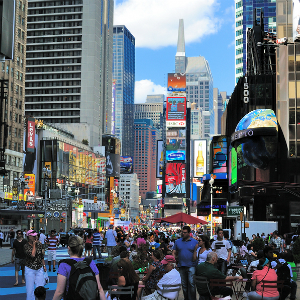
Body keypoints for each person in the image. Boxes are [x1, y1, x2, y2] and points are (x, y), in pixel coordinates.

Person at [52, 235, 106, 300]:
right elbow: (99, 289)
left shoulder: (64, 265)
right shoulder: (90, 262)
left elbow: (60, 292)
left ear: (69, 248)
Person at [172, 225, 198, 300]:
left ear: (189, 233)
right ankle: (186, 298)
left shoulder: (195, 242)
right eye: (182, 232)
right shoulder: (177, 241)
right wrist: (174, 261)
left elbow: (197, 253)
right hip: (181, 265)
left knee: (191, 284)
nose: (183, 234)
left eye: (185, 232)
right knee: (184, 285)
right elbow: (174, 252)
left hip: (192, 265)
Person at [24, 230, 47, 300]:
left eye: (36, 236)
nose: (35, 237)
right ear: (29, 236)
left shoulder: (39, 244)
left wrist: (44, 265)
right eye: (33, 236)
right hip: (30, 268)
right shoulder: (26, 246)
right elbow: (33, 255)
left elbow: (41, 256)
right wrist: (34, 245)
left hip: (39, 268)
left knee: (41, 288)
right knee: (30, 289)